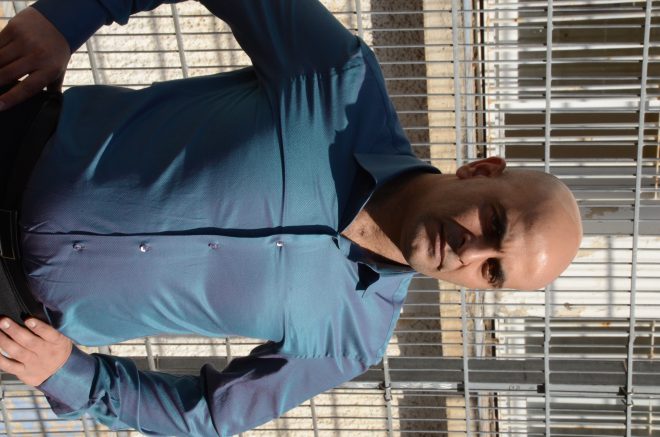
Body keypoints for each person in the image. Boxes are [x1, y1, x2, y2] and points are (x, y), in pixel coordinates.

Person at [0, 1, 583, 435]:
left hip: (10, 307)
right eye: (495, 224)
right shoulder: (341, 84)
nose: (471, 251)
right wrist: (68, 18)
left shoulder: (350, 340)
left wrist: (71, 376)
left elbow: (211, 415)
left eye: (493, 271)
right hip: (13, 138)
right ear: (481, 170)